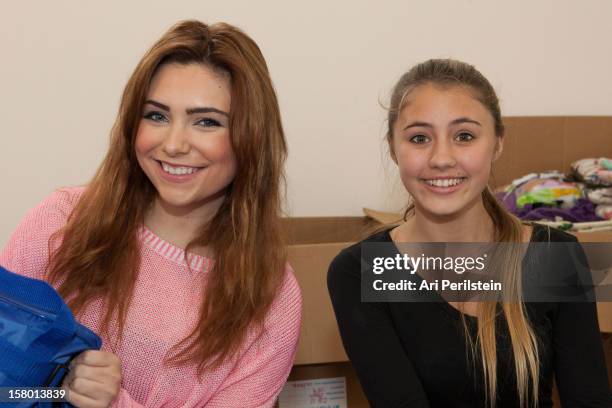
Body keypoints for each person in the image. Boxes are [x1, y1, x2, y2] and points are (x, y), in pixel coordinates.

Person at [0, 20, 301, 407]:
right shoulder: (61, 220)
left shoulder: (272, 295)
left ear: (251, 137)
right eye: (156, 116)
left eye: (206, 122)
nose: (173, 144)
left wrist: (113, 403)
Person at [327, 59, 612, 407]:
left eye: (464, 136)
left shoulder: (557, 257)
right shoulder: (361, 271)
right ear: (392, 148)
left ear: (497, 143)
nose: (442, 158)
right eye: (419, 138)